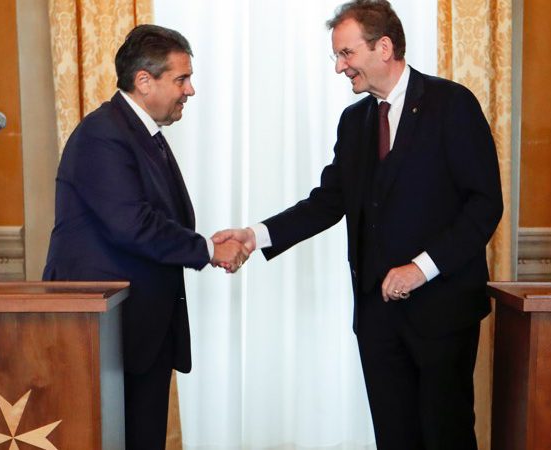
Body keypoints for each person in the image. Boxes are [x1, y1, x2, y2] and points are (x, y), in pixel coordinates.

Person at [213, 1, 503, 448]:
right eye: (337, 56)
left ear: (383, 47)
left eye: (346, 54)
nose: (339, 68)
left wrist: (420, 268)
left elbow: (484, 206)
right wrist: (256, 235)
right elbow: (329, 201)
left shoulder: (451, 104)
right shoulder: (355, 121)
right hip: (377, 317)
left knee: (445, 435)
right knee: (393, 437)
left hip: (442, 312)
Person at [43, 25, 248, 449]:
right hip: (104, 332)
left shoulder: (140, 133)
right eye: (181, 79)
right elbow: (131, 224)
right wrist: (209, 250)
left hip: (137, 331)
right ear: (143, 81)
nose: (189, 90)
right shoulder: (103, 135)